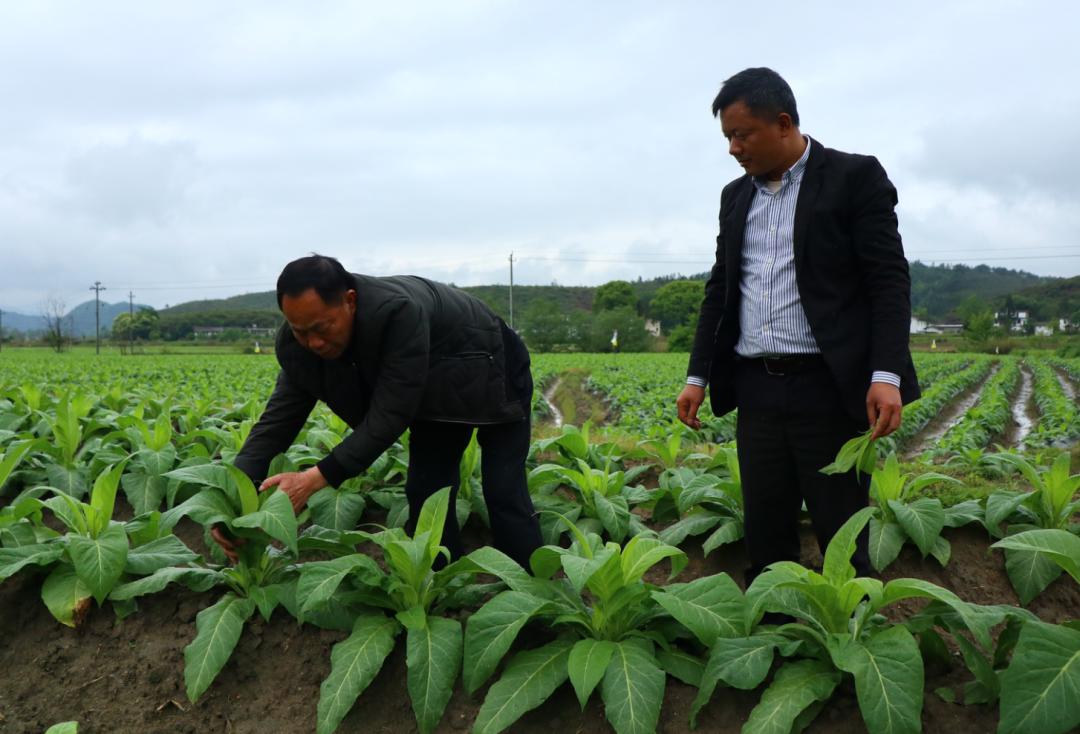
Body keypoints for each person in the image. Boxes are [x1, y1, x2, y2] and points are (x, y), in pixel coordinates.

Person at [676, 68, 919, 584]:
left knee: (842, 531)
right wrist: (698, 375)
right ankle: (773, 640)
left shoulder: (854, 178)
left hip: (828, 389)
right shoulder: (735, 197)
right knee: (765, 528)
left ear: (783, 124)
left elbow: (888, 282)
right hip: (756, 388)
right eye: (727, 138)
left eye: (742, 135)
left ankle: (851, 642)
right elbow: (721, 289)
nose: (733, 149)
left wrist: (887, 374)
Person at [214, 254, 543, 569]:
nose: (313, 342)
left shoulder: (397, 313)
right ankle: (441, 585)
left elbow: (391, 412)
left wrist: (314, 479)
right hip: (436, 383)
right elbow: (276, 423)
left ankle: (529, 587)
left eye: (322, 328)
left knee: (503, 487)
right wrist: (231, 503)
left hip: (491, 361)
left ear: (350, 301)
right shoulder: (297, 348)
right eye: (301, 331)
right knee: (426, 489)